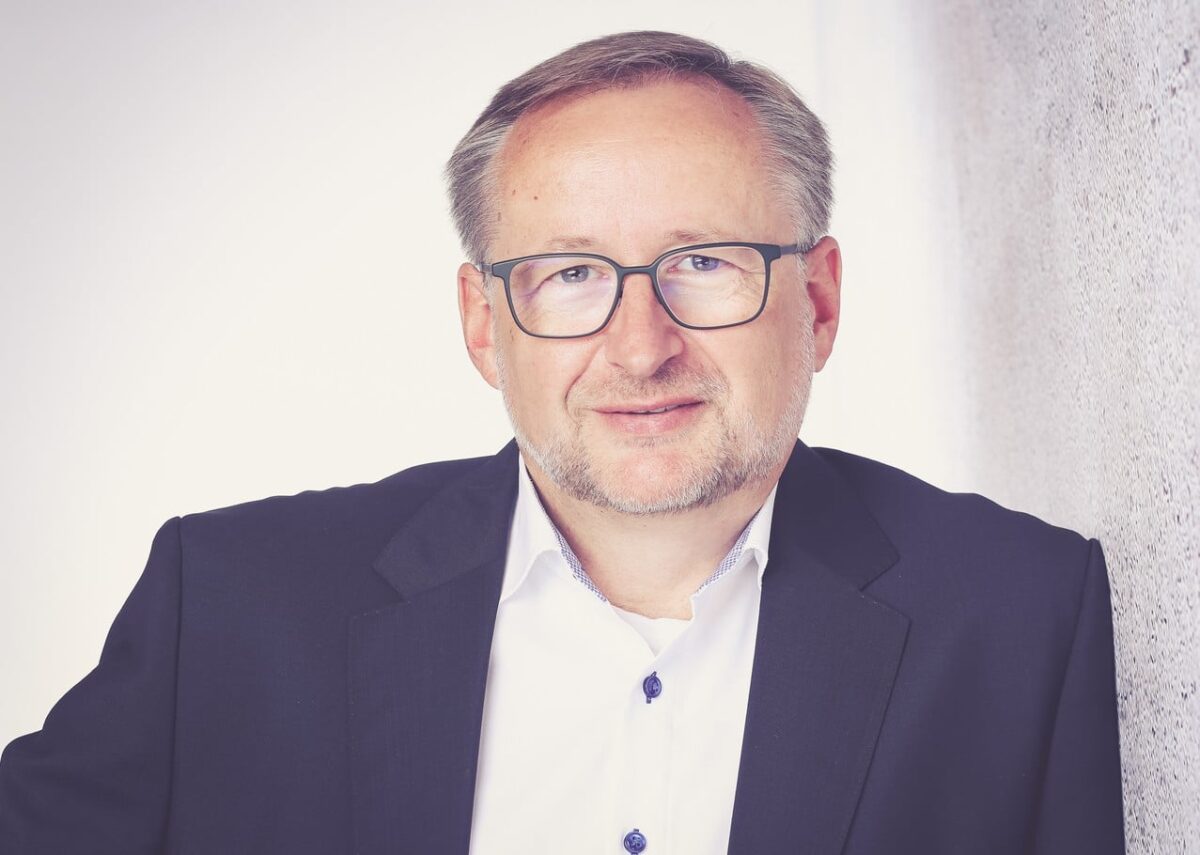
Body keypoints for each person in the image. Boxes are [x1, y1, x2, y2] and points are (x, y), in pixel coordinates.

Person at [0, 30, 1124, 855]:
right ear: (484, 324)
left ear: (819, 303)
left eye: (704, 262)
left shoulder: (1020, 614)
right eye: (572, 274)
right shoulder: (231, 606)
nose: (640, 346)